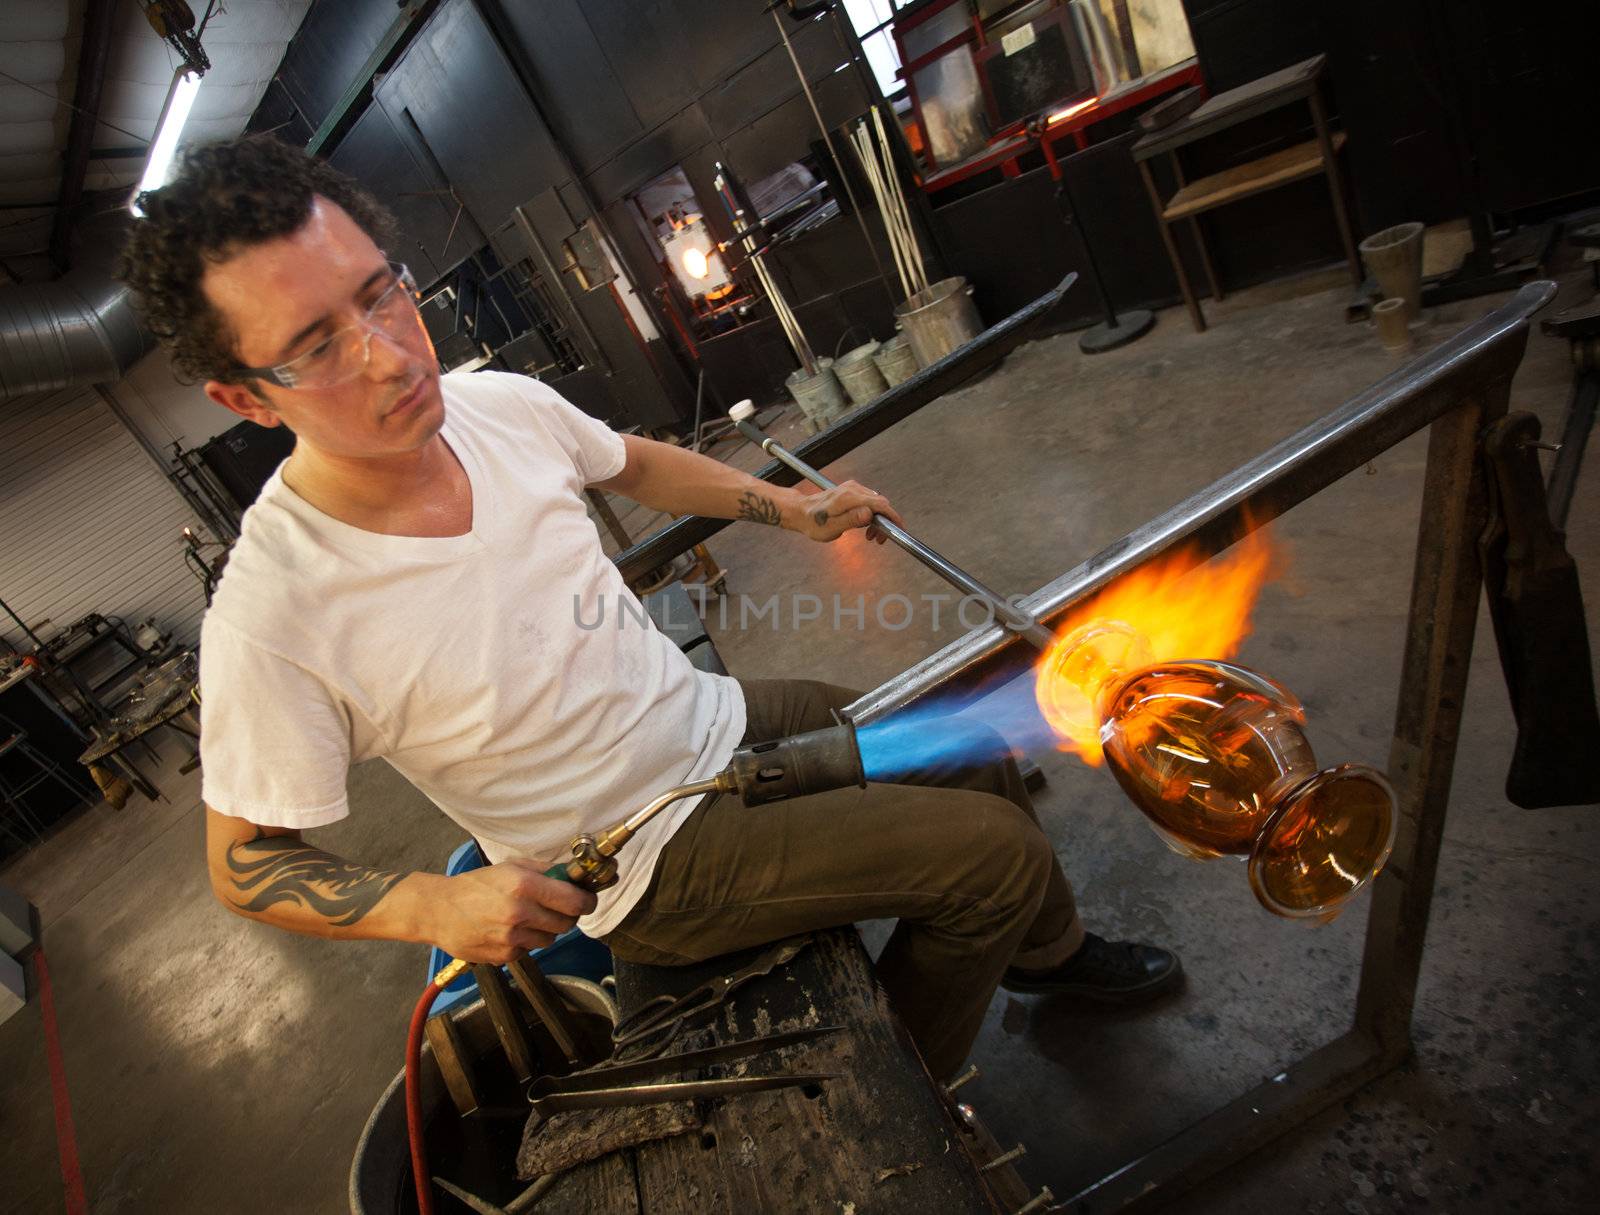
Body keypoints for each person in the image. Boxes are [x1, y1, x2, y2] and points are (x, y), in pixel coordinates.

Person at [120, 136, 1179, 1080]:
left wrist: (794, 510)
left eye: (381, 293)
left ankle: (1051, 960)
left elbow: (640, 466)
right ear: (246, 399)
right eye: (314, 347)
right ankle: (885, 1106)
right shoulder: (276, 612)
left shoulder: (497, 408)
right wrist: (429, 906)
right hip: (640, 863)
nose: (389, 354)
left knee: (976, 741)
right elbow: (245, 862)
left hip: (709, 729)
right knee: (991, 859)